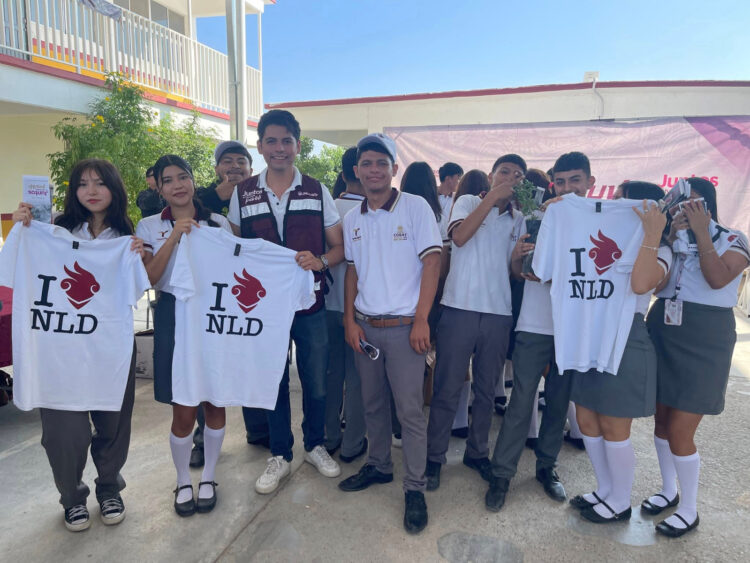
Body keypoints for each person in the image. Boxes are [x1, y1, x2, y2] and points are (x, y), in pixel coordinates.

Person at [10, 159, 145, 531]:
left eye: (100, 183)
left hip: (109, 348)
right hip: (59, 351)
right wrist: (21, 228)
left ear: (114, 188)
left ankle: (109, 488)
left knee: (114, 425)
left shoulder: (125, 237)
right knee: (63, 433)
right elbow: (17, 267)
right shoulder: (51, 230)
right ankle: (71, 496)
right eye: (83, 184)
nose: (91, 191)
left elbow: (137, 289)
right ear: (73, 191)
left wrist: (137, 254)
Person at [227, 109, 344, 494]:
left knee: (316, 380)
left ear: (298, 145)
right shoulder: (244, 193)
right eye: (272, 141)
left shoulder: (317, 190)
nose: (280, 148)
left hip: (309, 305)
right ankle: (280, 453)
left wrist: (321, 261)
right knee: (272, 380)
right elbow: (233, 249)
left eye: (287, 141)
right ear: (260, 146)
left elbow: (339, 247)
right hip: (263, 309)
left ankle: (314, 445)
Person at [338, 133, 441, 535]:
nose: (374, 170)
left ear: (394, 168)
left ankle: (414, 487)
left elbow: (432, 264)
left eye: (382, 163)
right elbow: (352, 271)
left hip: (404, 329)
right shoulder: (353, 218)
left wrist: (422, 320)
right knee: (372, 404)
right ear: (357, 170)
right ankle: (379, 465)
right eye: (367, 163)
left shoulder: (415, 208)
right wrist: (350, 320)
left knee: (410, 412)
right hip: (366, 328)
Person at [485, 152, 593, 512]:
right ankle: (502, 474)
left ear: (590, 182)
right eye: (560, 182)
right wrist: (518, 256)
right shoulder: (536, 215)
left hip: (572, 327)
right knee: (521, 401)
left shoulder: (599, 222)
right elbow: (519, 272)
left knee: (559, 402)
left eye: (575, 180)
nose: (567, 188)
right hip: (534, 323)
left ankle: (547, 467)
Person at [644, 177, 749, 537]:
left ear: (709, 204)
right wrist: (669, 240)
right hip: (664, 328)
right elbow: (656, 286)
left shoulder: (734, 238)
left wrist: (702, 234)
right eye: (680, 203)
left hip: (706, 338)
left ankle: (689, 509)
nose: (685, 210)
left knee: (681, 428)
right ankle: (668, 490)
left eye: (693, 203)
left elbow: (718, 278)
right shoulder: (672, 239)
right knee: (660, 420)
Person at [562, 180, 671, 524]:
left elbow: (640, 284)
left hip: (626, 337)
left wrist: (651, 233)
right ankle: (605, 489)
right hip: (590, 334)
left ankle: (621, 501)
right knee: (586, 419)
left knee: (613, 425)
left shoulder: (661, 249)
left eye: (622, 202)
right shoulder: (600, 235)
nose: (614, 207)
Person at [136, 155, 232, 516]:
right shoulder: (148, 226)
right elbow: (150, 277)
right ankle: (182, 479)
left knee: (214, 399)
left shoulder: (218, 222)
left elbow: (233, 268)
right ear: (159, 188)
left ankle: (208, 476)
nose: (177, 185)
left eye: (183, 177)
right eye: (168, 180)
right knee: (183, 405)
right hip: (173, 312)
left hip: (212, 314)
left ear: (193, 181)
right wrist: (175, 235)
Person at [426, 154, 525, 491]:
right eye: (504, 171)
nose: (510, 178)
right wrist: (492, 198)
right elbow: (460, 237)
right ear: (492, 175)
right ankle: (434, 456)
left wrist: (518, 260)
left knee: (486, 391)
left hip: (498, 312)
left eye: (518, 175)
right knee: (447, 387)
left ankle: (477, 452)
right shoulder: (468, 201)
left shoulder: (519, 219)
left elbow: (514, 272)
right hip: (459, 308)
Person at [324, 148, 368, 463]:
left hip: (326, 306)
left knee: (329, 376)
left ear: (342, 175)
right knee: (358, 380)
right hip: (363, 311)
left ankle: (328, 438)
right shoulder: (373, 212)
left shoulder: (327, 209)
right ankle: (353, 444)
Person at [195, 140, 253, 215]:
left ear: (251, 171)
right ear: (216, 170)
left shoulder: (261, 195)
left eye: (241, 162)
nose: (235, 166)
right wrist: (215, 196)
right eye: (228, 161)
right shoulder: (200, 195)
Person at [437, 162, 463, 239]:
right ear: (448, 179)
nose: (459, 182)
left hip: (451, 241)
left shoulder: (458, 198)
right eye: (458, 179)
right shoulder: (430, 197)